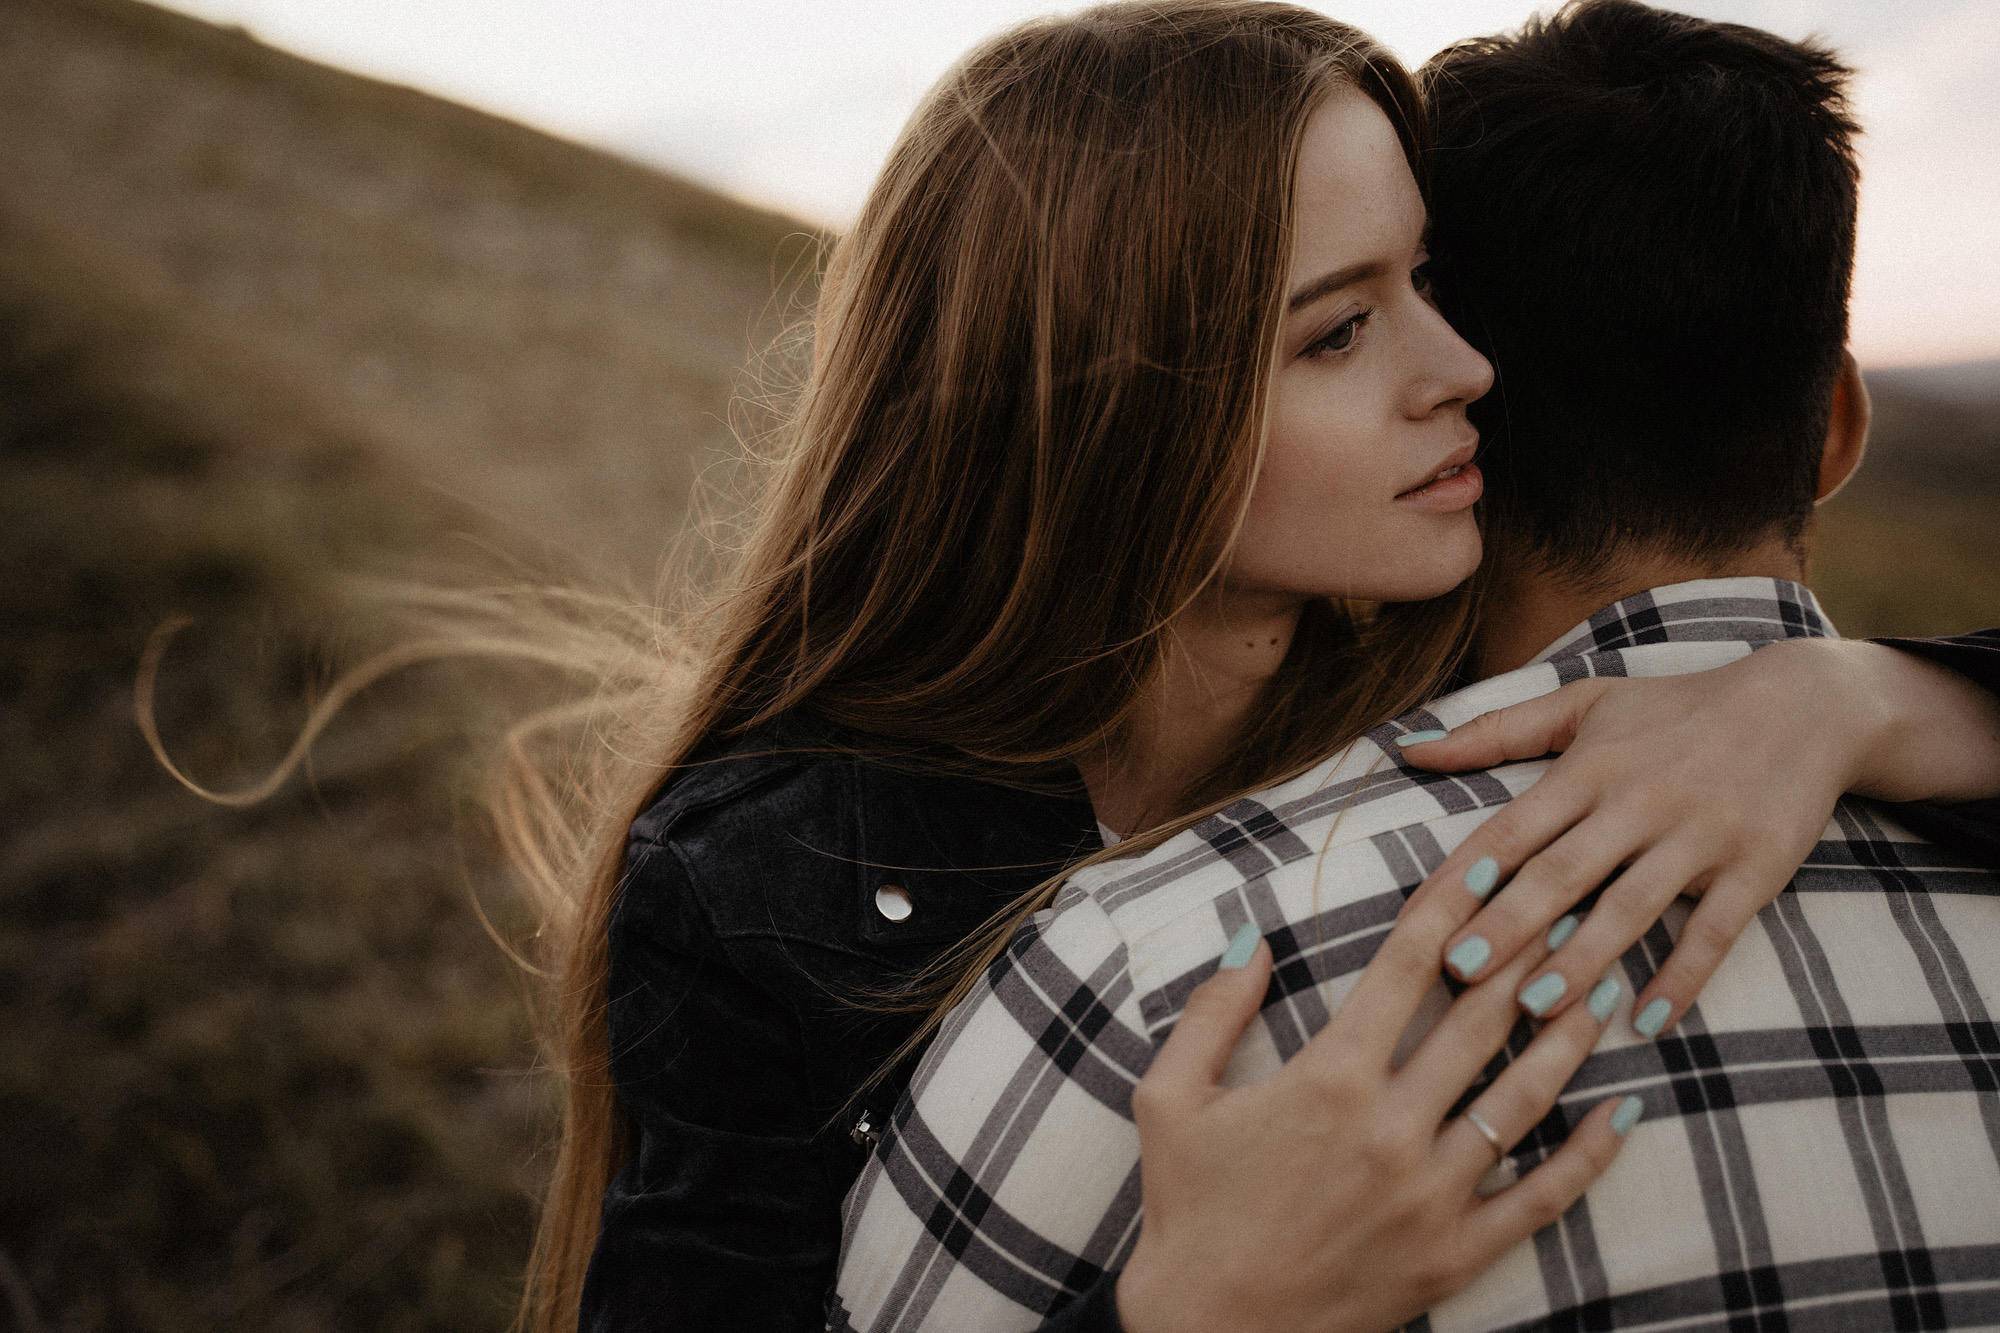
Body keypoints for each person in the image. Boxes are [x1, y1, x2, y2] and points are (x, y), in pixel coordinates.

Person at [540, 4, 2000, 1331]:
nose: (1465, 367)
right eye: (1342, 329)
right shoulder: (772, 879)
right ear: (1115, 408)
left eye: (1431, 280)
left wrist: (1862, 694)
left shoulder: (1471, 720)